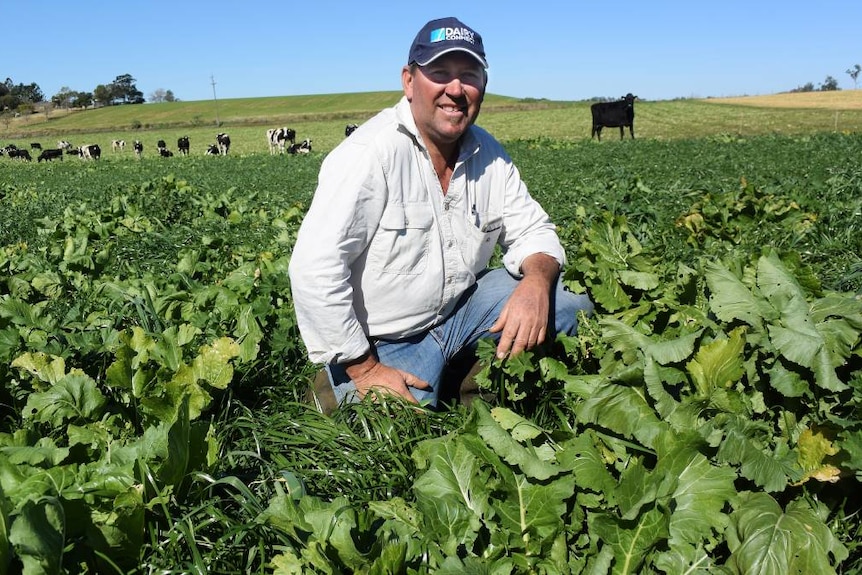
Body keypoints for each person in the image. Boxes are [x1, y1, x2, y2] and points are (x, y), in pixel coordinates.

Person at [288, 16, 593, 411]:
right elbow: (314, 268)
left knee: (566, 308)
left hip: (461, 309)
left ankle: (471, 383)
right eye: (439, 73)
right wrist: (364, 370)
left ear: (483, 85)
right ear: (409, 81)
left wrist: (536, 282)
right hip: (383, 342)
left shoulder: (489, 154)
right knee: (370, 430)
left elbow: (533, 229)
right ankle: (346, 383)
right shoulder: (369, 155)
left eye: (469, 74)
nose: (456, 89)